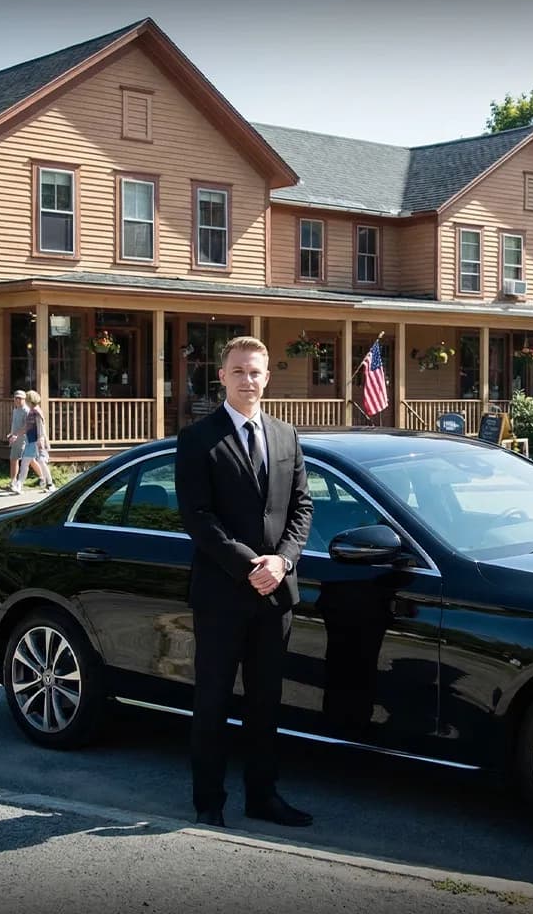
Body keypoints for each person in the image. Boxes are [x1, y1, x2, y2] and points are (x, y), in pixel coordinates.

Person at [175, 336, 314, 829]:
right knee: (212, 701)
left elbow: (302, 508)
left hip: (276, 594)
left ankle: (263, 797)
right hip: (221, 595)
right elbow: (198, 517)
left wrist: (282, 562)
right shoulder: (198, 439)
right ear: (222, 378)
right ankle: (208, 802)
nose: (248, 380)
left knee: (265, 703)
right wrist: (249, 564)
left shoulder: (285, 434)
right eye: (238, 372)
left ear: (267, 377)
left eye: (255, 372)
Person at [13, 390, 53, 493]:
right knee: (25, 462)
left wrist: (41, 439)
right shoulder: (31, 412)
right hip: (31, 441)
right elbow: (27, 427)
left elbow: (40, 427)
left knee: (41, 462)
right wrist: (16, 435)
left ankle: (50, 484)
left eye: (26, 399)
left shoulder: (36, 412)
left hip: (37, 441)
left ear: (30, 400)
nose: (25, 401)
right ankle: (19, 485)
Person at [5, 391, 28, 491]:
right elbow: (14, 424)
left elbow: (27, 427)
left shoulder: (26, 411)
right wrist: (11, 434)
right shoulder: (15, 410)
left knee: (15, 459)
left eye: (20, 398)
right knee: (15, 459)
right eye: (16, 398)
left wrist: (16, 435)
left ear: (24, 399)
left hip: (22, 438)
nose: (18, 400)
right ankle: (13, 482)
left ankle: (14, 483)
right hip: (14, 437)